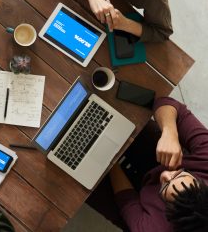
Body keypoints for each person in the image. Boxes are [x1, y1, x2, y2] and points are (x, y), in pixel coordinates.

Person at [88, 97, 208, 232]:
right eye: (179, 173)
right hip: (157, 157)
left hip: (138, 204)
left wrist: (108, 156)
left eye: (166, 185)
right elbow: (166, 103)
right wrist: (170, 133)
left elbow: (127, 199)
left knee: (86, 181)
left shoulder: (153, 228)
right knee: (126, 115)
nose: (166, 174)